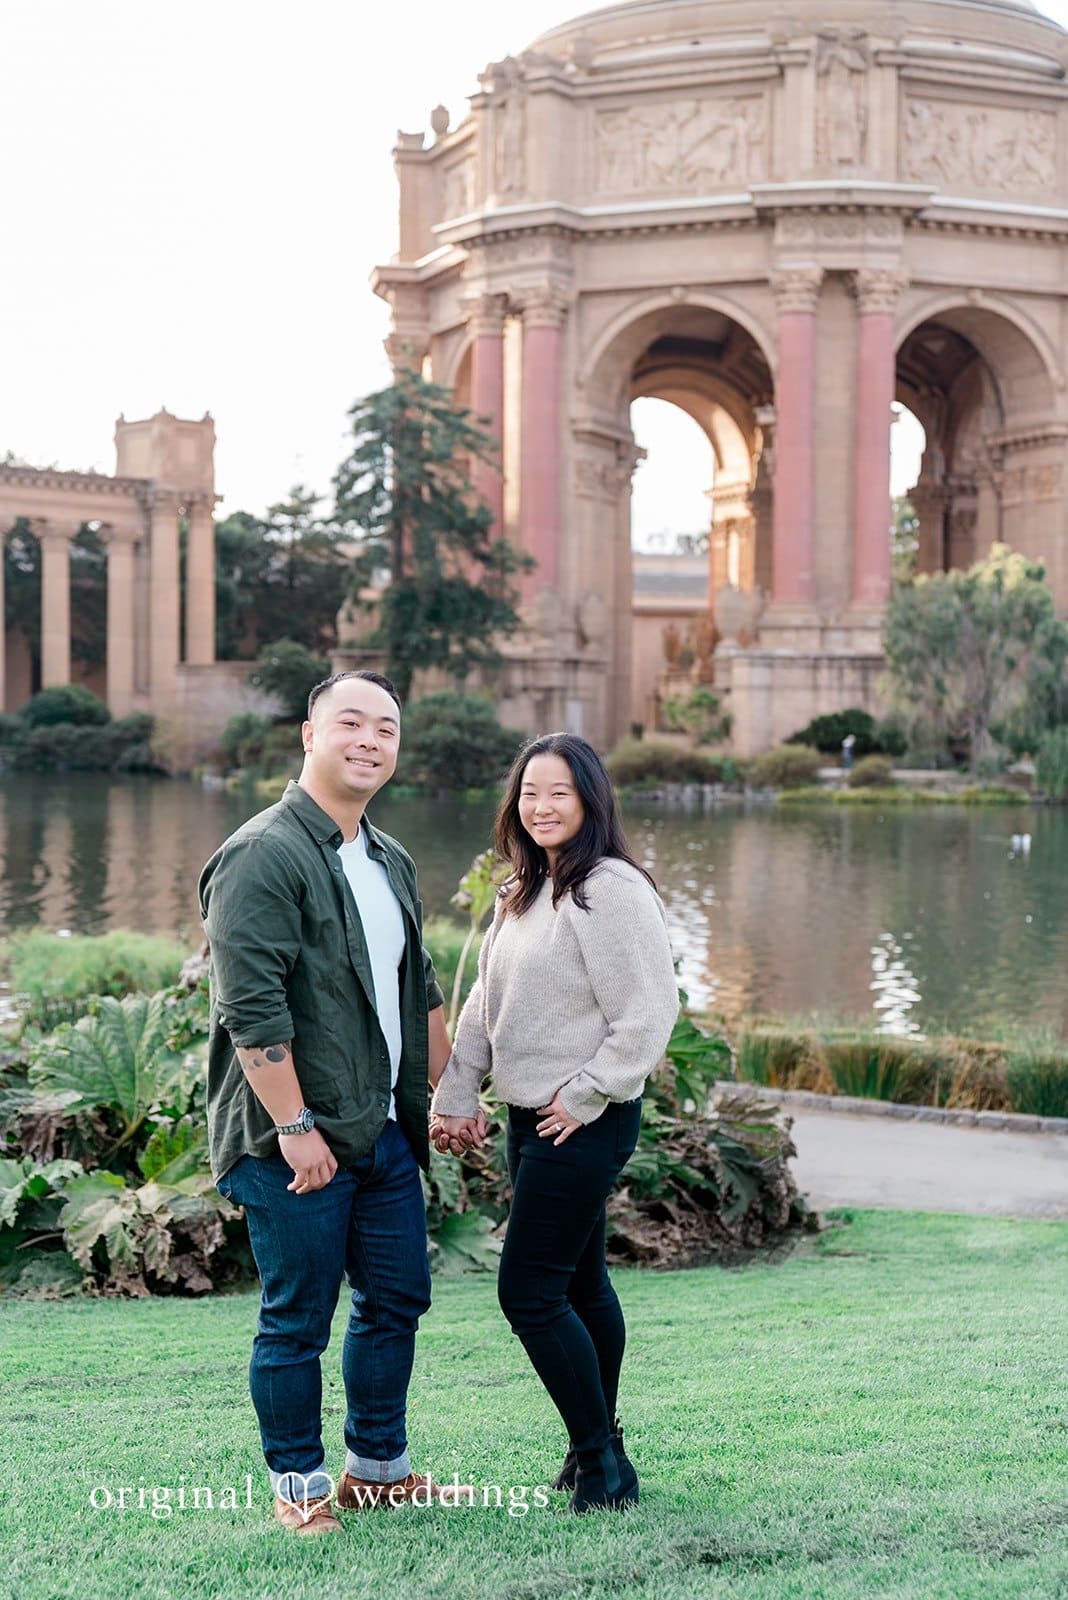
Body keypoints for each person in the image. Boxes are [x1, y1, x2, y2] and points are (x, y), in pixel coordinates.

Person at [199, 670, 460, 1535]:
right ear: (308, 734)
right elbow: (252, 1009)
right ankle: (301, 1492)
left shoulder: (390, 859)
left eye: (386, 728)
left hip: (382, 1133)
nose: (370, 741)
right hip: (293, 1143)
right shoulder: (262, 853)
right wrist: (295, 1127)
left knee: (396, 1301)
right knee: (297, 1321)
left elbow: (416, 988)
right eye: (350, 722)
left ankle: (378, 1470)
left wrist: (451, 1097)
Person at [429, 732, 678, 1513]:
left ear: (590, 800)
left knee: (528, 1290)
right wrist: (458, 1090)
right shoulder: (524, 890)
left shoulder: (609, 889)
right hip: (530, 1116)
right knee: (579, 1281)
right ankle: (594, 1450)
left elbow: (649, 1012)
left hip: (582, 1121)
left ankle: (603, 1462)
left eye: (558, 792)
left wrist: (589, 1092)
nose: (540, 806)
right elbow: (483, 1006)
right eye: (529, 791)